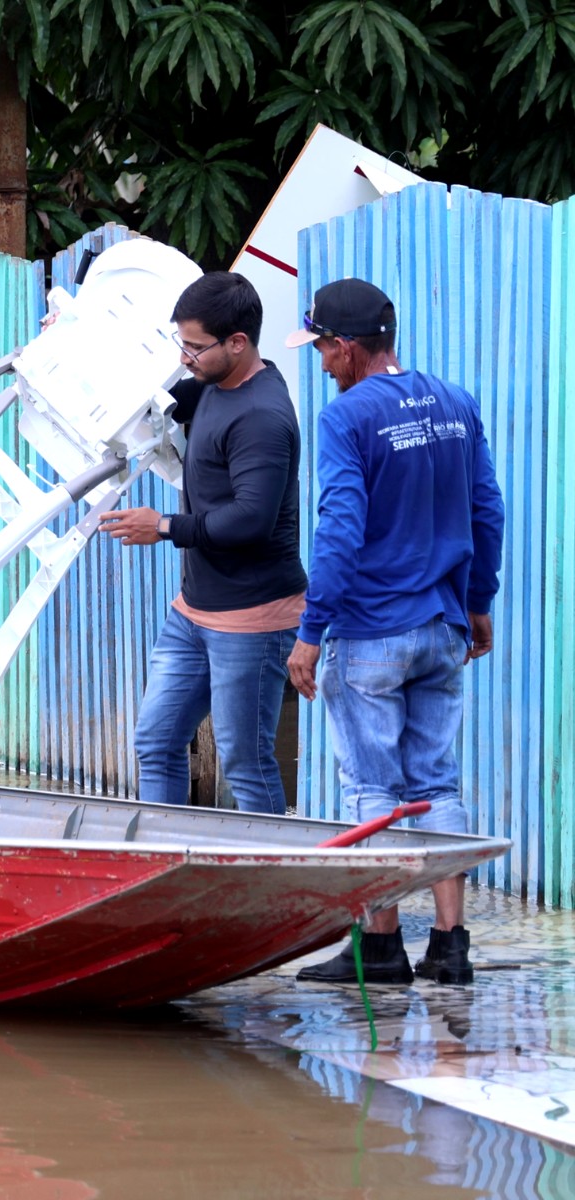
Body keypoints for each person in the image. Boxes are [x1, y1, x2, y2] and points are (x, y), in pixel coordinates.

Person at [284, 278, 504, 986]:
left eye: (323, 348)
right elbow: (487, 509)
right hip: (442, 629)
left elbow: (340, 529)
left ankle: (380, 949)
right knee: (438, 782)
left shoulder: (346, 417)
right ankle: (450, 944)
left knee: (371, 788)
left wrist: (312, 631)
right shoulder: (455, 403)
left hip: (371, 634)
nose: (322, 363)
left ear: (348, 347)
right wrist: (478, 601)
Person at [100, 272, 306, 815]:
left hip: (252, 619)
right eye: (182, 343)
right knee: (156, 742)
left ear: (237, 342)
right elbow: (147, 399)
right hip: (194, 611)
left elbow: (251, 520)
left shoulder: (262, 417)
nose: (184, 357)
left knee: (245, 762)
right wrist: (74, 340)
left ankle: (271, 870)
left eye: (194, 346)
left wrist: (164, 526)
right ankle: (166, 860)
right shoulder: (216, 382)